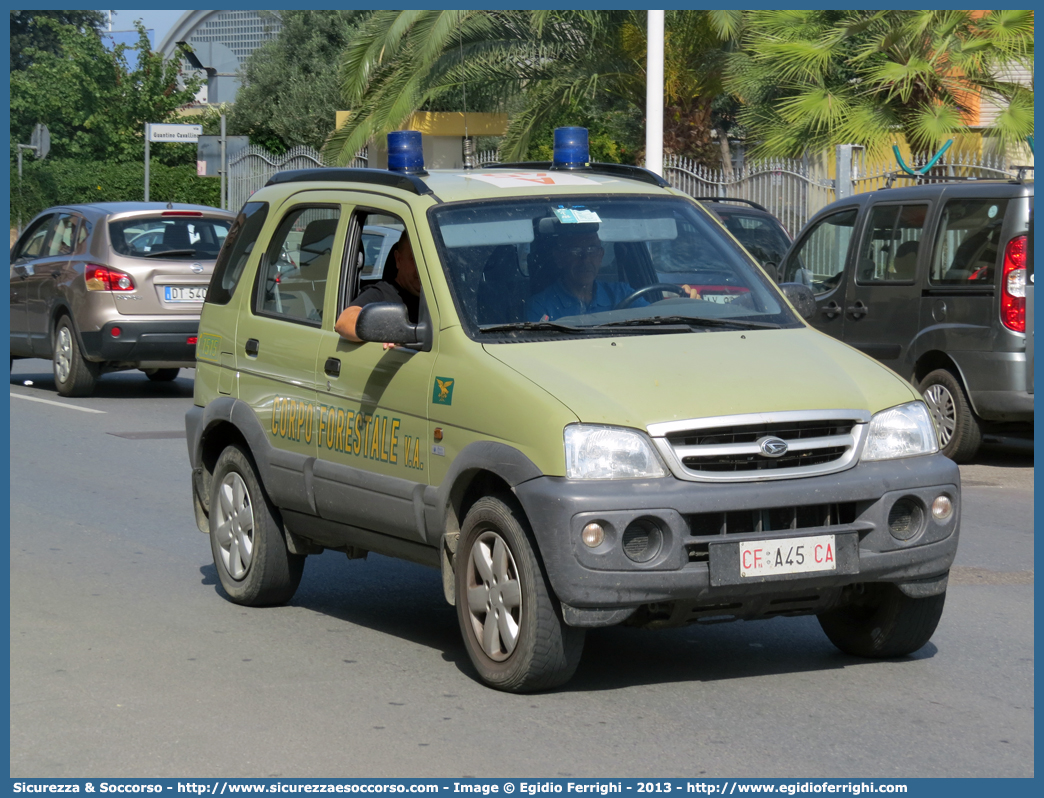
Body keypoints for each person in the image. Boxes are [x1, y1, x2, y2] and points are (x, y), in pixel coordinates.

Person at [526, 224, 697, 322]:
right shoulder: (541, 306)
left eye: (592, 250)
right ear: (560, 258)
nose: (585, 259)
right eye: (576, 251)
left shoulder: (622, 294)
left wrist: (683, 307)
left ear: (601, 256)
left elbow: (655, 319)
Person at [335, 233, 421, 345]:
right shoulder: (381, 293)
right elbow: (344, 322)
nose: (422, 267)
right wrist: (387, 332)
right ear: (398, 259)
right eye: (415, 259)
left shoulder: (443, 297)